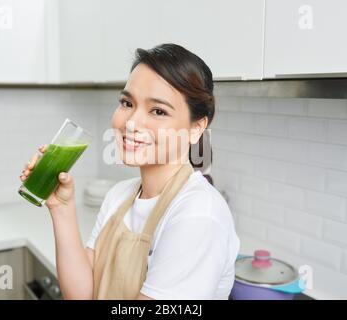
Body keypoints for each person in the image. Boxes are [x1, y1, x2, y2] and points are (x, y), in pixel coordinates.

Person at [19, 43, 240, 300]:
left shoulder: (199, 214)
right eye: (127, 103)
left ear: (196, 128)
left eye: (158, 111)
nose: (132, 123)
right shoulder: (119, 196)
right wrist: (61, 208)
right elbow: (81, 295)